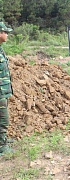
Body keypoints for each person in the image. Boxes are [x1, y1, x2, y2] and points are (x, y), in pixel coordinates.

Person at [0, 21, 14, 155]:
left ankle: (3, 139)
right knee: (3, 119)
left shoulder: (0, 49)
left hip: (3, 92)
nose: (7, 35)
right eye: (5, 32)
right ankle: (1, 147)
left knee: (3, 118)